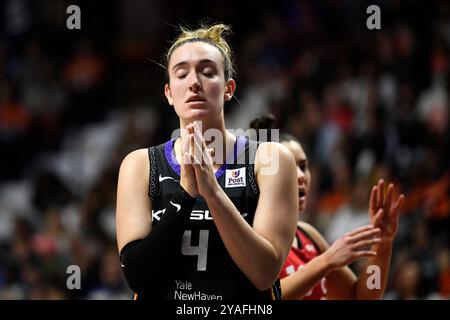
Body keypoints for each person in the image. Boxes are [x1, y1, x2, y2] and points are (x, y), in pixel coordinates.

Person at [115, 24, 299, 300]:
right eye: (182, 73)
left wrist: (211, 191)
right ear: (168, 93)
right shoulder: (140, 165)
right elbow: (138, 277)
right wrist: (187, 194)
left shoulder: (270, 160)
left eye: (208, 71)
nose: (194, 82)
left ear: (228, 88)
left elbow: (263, 274)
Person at [250, 115, 405, 299]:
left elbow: (362, 296)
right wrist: (326, 261)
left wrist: (383, 245)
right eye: (289, 166)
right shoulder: (248, 236)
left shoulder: (309, 236)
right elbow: (260, 302)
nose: (301, 176)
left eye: (303, 166)